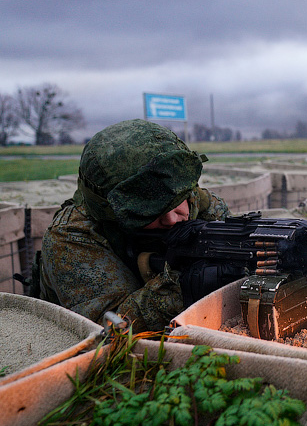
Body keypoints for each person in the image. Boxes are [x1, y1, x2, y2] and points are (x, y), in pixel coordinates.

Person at [37, 119, 230, 333]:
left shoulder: (202, 204)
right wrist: (183, 287)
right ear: (109, 210)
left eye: (176, 200)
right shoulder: (71, 237)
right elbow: (110, 329)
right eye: (149, 211)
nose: (171, 219)